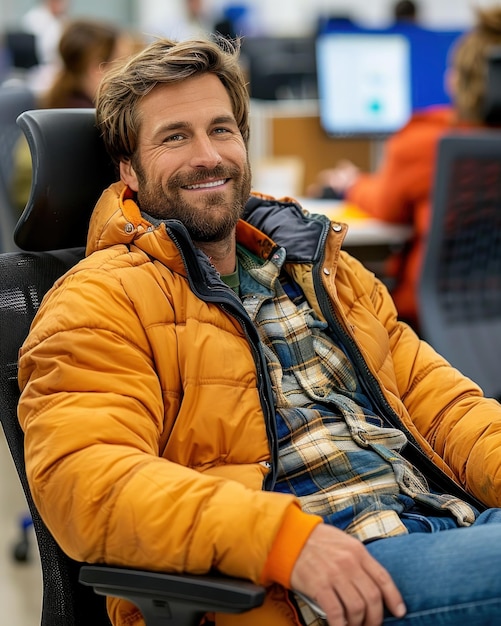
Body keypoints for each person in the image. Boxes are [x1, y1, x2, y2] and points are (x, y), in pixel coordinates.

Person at [16, 35, 501, 626]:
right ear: (128, 170)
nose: (208, 156)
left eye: (222, 130)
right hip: (314, 583)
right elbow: (85, 483)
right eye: (175, 136)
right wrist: (282, 541)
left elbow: (446, 408)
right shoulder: (101, 299)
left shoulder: (322, 270)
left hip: (443, 523)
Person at [307, 6, 501, 332]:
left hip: (438, 319)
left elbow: (387, 205)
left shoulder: (430, 141)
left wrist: (352, 184)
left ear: (461, 81)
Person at [11, 18, 142, 215]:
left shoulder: (60, 104)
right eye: (123, 63)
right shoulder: (89, 124)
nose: (130, 74)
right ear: (97, 70)